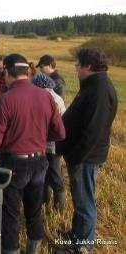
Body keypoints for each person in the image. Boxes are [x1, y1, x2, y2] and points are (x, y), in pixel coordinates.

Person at [0, 54, 65, 254]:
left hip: (13, 164)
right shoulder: (46, 96)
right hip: (40, 162)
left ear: (7, 72)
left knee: (11, 213)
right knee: (34, 210)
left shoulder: (5, 100)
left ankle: (11, 250)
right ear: (27, 72)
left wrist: (11, 143)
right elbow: (60, 132)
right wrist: (37, 137)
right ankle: (34, 249)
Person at [56, 48, 118, 253]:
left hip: (85, 158)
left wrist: (76, 157)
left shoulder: (99, 91)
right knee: (80, 198)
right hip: (83, 155)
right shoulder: (94, 85)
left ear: (88, 67)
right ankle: (77, 234)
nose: (76, 69)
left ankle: (82, 247)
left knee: (85, 202)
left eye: (78, 65)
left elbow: (93, 132)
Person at [32, 73, 66, 212]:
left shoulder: (51, 100)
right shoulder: (54, 98)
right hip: (48, 144)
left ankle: (59, 209)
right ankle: (44, 202)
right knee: (44, 176)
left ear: (41, 86)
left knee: (55, 176)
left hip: (51, 145)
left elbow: (57, 126)